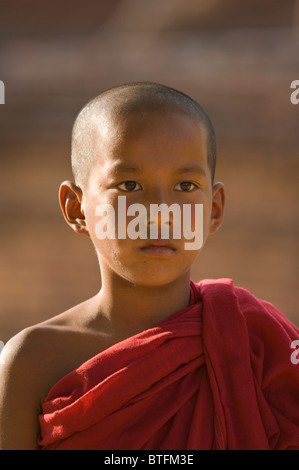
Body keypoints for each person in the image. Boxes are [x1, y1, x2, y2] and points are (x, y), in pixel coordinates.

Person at [0, 82, 298, 450]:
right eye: (129, 185)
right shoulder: (33, 360)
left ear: (214, 209)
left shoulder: (258, 343)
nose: (160, 213)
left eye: (185, 186)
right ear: (76, 208)